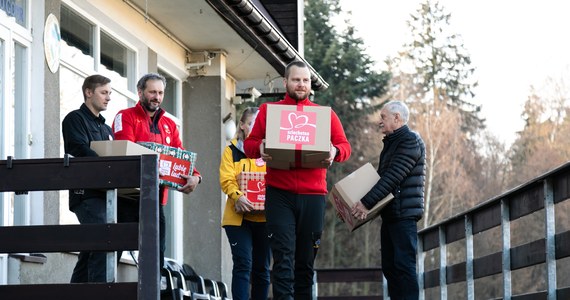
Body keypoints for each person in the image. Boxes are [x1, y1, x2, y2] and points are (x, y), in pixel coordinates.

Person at [244, 61, 351, 299]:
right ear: (286, 82)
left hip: (313, 196)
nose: (301, 84)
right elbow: (250, 144)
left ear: (310, 83)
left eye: (305, 80)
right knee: (282, 257)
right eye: (296, 80)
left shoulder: (324, 115)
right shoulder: (269, 112)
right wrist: (260, 146)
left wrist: (334, 152)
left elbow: (345, 146)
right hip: (279, 194)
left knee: (305, 261)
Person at [112, 73, 201, 269]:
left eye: (160, 93)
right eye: (152, 92)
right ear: (140, 92)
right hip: (127, 197)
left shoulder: (169, 124)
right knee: (113, 253)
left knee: (156, 255)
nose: (157, 97)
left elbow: (181, 154)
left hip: (156, 200)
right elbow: (124, 152)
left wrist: (196, 176)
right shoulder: (125, 116)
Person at [62, 74, 138, 282]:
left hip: (108, 196)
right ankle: (99, 292)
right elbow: (78, 148)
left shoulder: (106, 129)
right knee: (105, 238)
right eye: (104, 92)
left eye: (110, 93)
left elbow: (114, 154)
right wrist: (109, 167)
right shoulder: (74, 119)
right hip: (86, 194)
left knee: (93, 248)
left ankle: (77, 294)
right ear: (88, 92)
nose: (109, 98)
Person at [351, 100, 426, 300]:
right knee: (390, 268)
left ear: (397, 118)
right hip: (391, 215)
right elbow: (381, 178)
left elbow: (392, 177)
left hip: (404, 216)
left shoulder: (410, 141)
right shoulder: (392, 144)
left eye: (383, 117)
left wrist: (366, 203)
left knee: (404, 267)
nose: (380, 121)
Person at [219, 107, 271, 300]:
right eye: (251, 123)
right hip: (237, 218)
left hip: (265, 219)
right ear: (242, 125)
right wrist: (237, 196)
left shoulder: (271, 152)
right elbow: (226, 179)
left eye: (259, 124)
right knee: (243, 263)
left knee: (262, 268)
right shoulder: (231, 151)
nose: (255, 127)